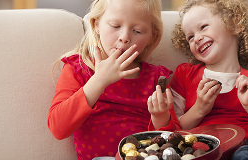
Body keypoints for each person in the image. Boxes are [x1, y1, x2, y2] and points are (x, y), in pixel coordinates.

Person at [152, 0, 248, 159]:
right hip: (201, 148)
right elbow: (174, 133)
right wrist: (199, 109)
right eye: (190, 37)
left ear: (234, 24)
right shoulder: (184, 75)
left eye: (203, 27)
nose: (196, 38)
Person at [48, 0, 179, 159]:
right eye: (116, 26)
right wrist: (99, 80)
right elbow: (58, 128)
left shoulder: (156, 77)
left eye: (137, 31)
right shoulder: (78, 69)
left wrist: (160, 118)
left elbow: (173, 141)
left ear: (152, 36)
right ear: (96, 24)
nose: (124, 37)